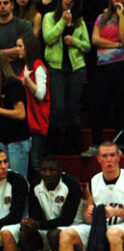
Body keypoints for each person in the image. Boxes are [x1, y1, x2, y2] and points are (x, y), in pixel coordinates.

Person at [0, 156, 80, 251]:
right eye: (44, 170)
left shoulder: (72, 184)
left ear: (60, 171)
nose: (48, 174)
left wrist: (38, 224)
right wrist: (31, 224)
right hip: (47, 229)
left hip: (74, 229)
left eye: (52, 170)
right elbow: (36, 217)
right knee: (26, 234)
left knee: (55, 234)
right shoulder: (36, 185)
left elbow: (67, 220)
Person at [83, 0, 124, 158]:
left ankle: (120, 144)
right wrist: (119, 46)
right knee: (96, 102)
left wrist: (121, 17)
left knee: (122, 105)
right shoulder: (101, 18)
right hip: (103, 65)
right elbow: (95, 40)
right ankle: (96, 143)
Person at [42, 0, 90, 155]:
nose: (68, 1)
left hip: (76, 68)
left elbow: (87, 45)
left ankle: (73, 147)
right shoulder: (49, 17)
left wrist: (74, 41)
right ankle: (53, 148)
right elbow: (48, 38)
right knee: (57, 109)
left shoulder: (79, 20)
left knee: (73, 109)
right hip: (56, 68)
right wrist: (63, 21)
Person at [17, 31, 49, 185]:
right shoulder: (25, 66)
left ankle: (39, 194)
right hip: (27, 122)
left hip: (37, 122)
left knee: (36, 162)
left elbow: (41, 94)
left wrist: (27, 79)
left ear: (28, 47)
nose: (18, 49)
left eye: (20, 46)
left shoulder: (38, 67)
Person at [0, 149, 28, 251]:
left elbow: (16, 215)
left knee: (6, 232)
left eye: (5, 161)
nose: (4, 166)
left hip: (15, 226)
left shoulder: (17, 180)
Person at [0, 51, 29, 181]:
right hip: (2, 140)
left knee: (18, 182)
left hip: (16, 141)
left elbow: (21, 113)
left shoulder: (13, 84)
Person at [0, 0, 32, 74]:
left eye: (5, 3)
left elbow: (28, 49)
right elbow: (19, 50)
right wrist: (12, 52)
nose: (2, 6)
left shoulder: (24, 25)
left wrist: (1, 54)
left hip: (20, 72)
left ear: (12, 5)